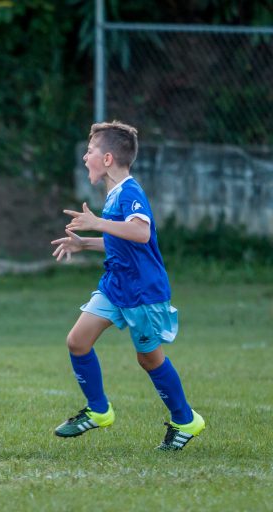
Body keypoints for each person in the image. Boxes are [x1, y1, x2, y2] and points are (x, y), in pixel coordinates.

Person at [50, 121, 205, 451]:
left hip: (142, 293)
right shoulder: (114, 195)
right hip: (115, 286)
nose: (84, 157)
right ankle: (99, 410)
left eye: (90, 151)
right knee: (77, 341)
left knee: (149, 360)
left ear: (107, 159)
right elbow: (121, 242)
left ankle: (186, 419)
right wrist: (86, 243)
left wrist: (97, 223)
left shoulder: (130, 192)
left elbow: (140, 234)